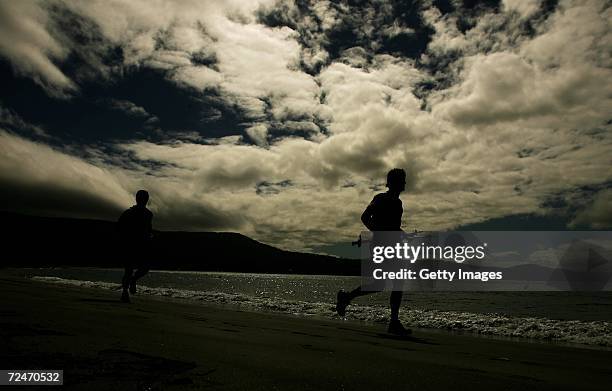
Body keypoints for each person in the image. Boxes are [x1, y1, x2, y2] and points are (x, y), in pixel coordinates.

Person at [336, 168, 411, 336]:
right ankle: (347, 298)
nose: (404, 184)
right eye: (401, 180)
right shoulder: (380, 198)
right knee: (383, 284)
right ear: (392, 183)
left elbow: (393, 227)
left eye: (404, 180)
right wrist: (377, 232)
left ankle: (393, 321)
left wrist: (403, 235)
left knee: (395, 283)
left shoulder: (399, 204)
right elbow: (365, 217)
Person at [117, 190, 153, 303]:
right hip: (130, 244)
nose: (144, 200)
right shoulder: (129, 213)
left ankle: (132, 281)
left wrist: (149, 236)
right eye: (143, 198)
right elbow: (120, 228)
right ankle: (125, 292)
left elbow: (148, 229)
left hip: (141, 245)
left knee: (143, 267)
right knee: (129, 270)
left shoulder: (148, 214)